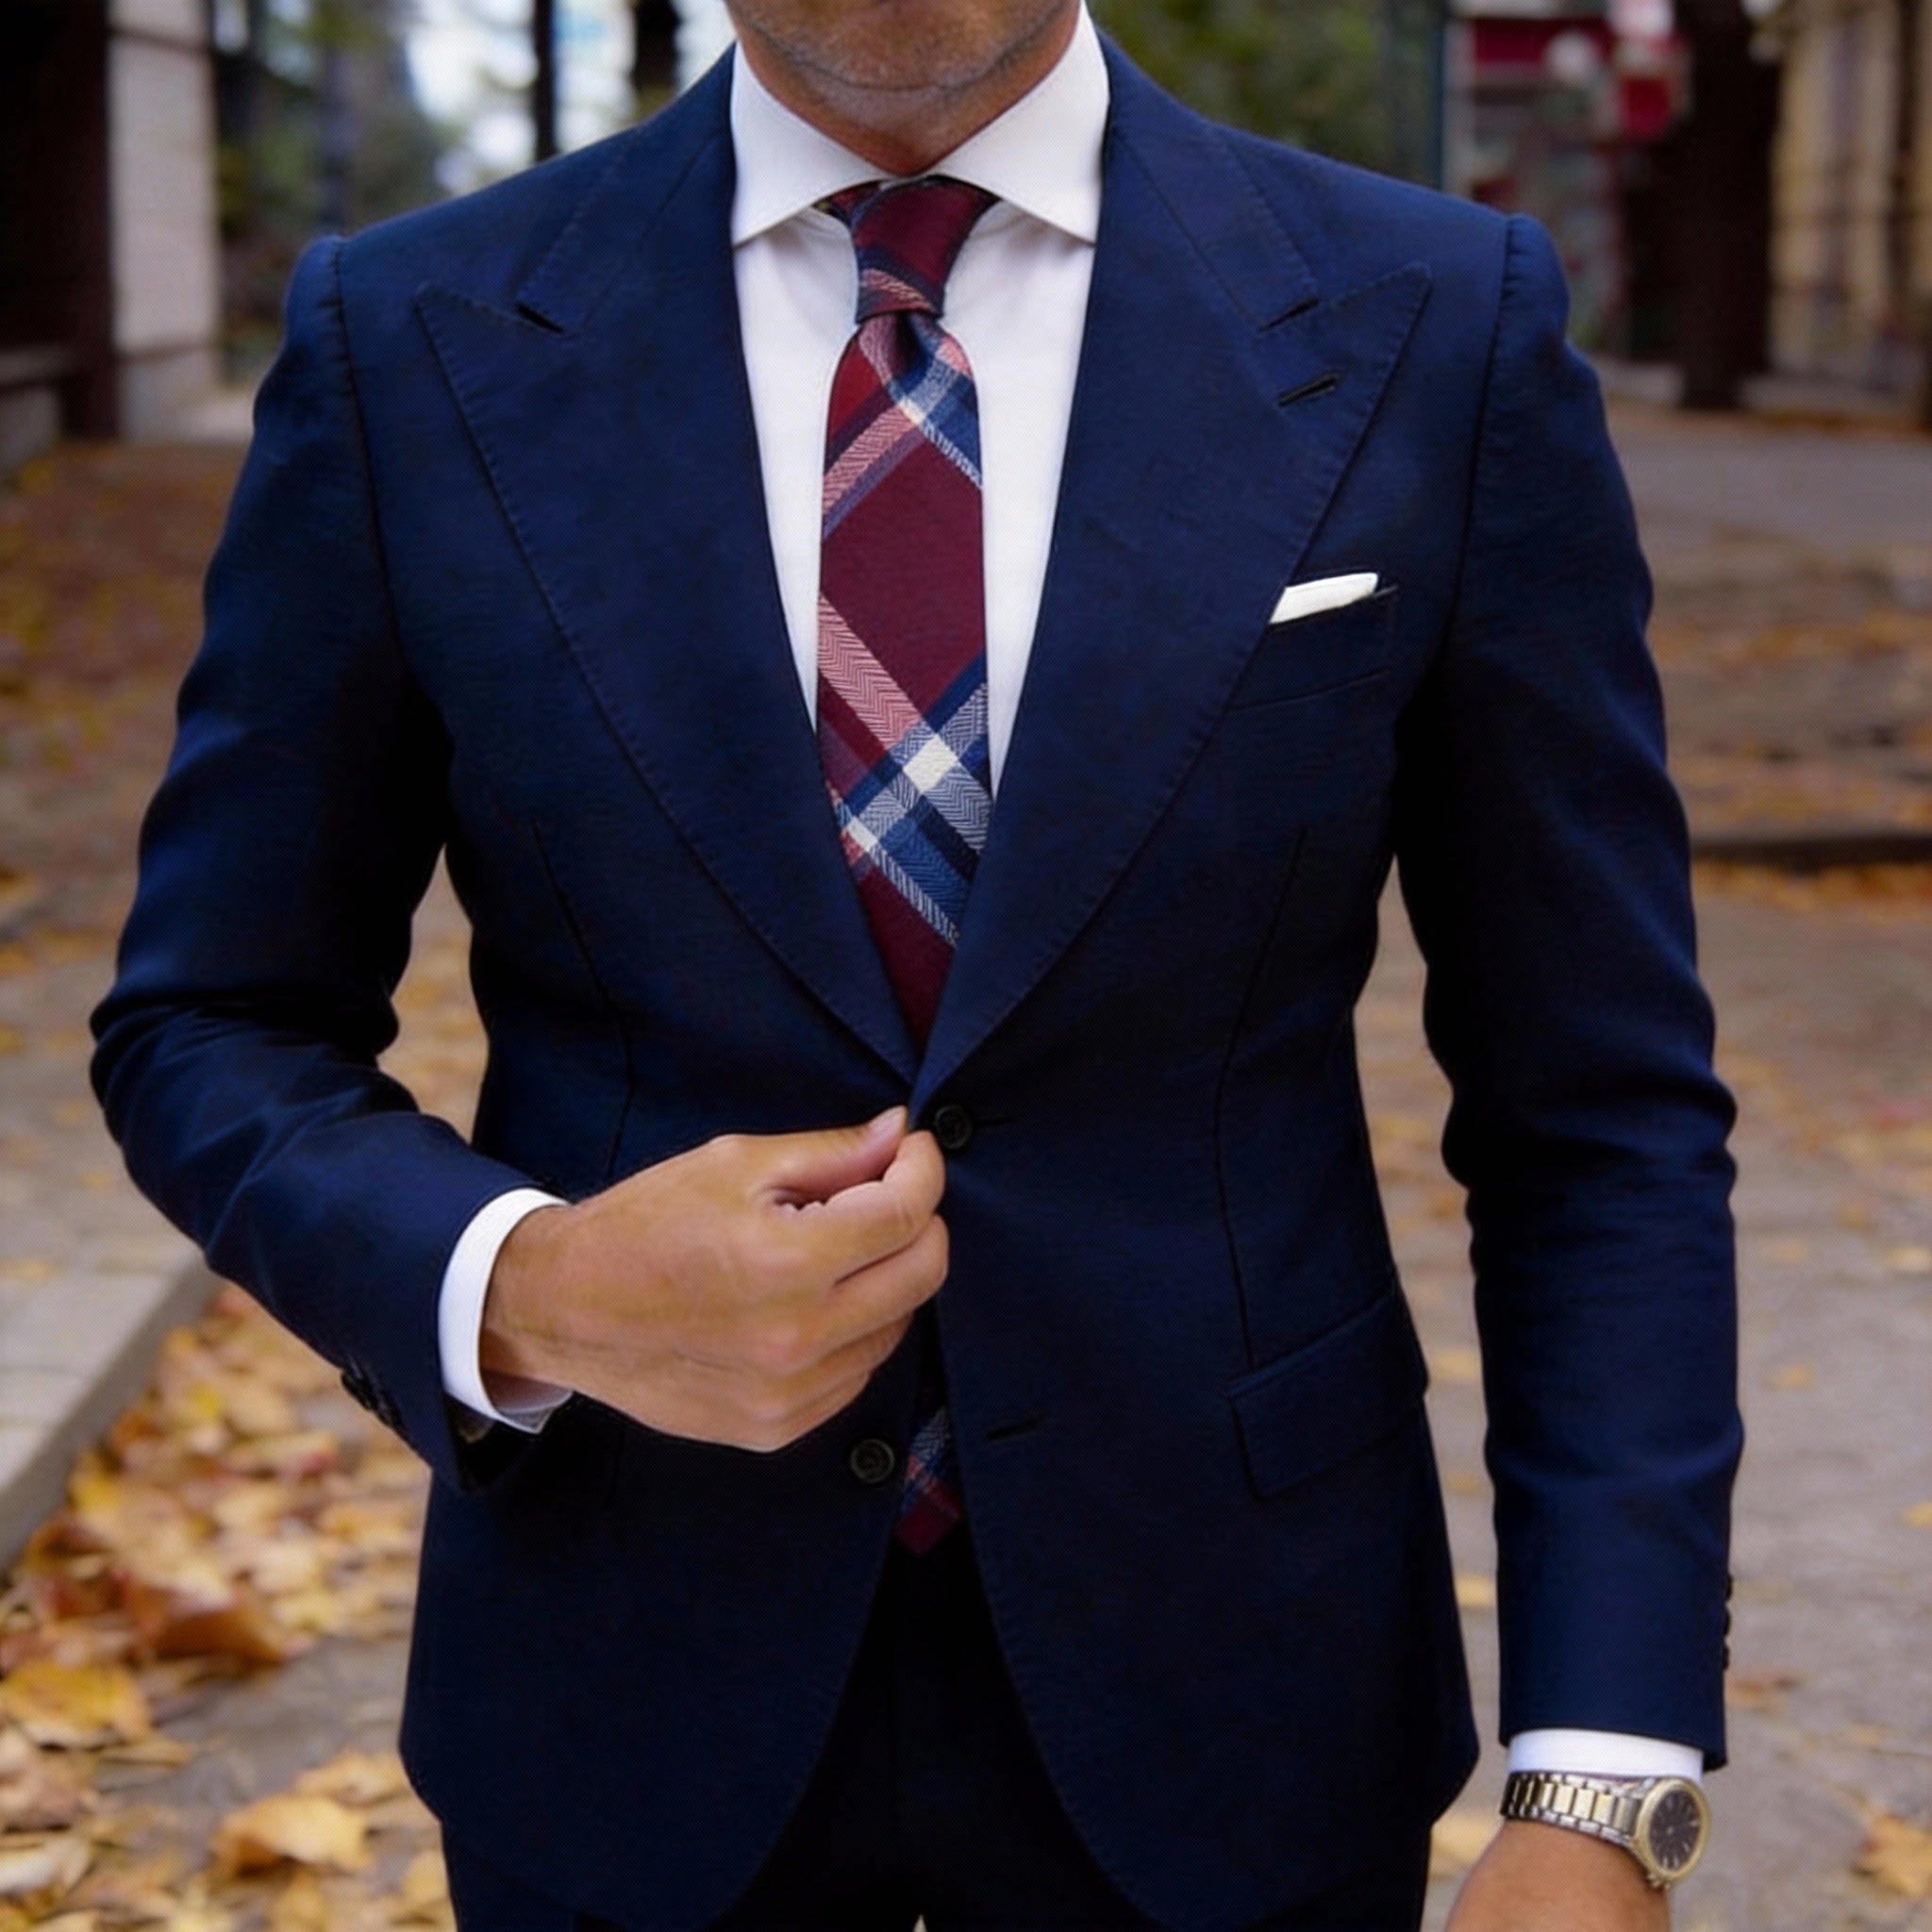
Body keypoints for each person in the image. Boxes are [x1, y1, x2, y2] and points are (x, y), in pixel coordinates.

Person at [92, 0, 1741, 1924]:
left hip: (1242, 1707)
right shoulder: (408, 335)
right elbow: (211, 1017)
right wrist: (526, 1286)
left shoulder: (1437, 321)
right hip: (627, 1707)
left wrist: (1606, 1779)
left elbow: (1597, 1105)